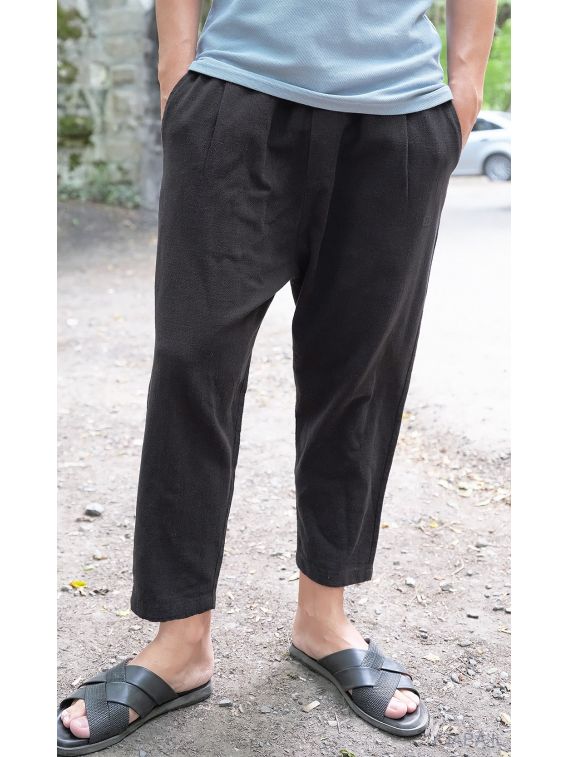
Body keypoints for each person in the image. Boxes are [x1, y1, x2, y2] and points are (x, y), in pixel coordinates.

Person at [57, 0, 497, 752]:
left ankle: (324, 617)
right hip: (235, 93)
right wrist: (177, 71)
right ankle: (181, 639)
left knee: (358, 375)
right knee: (192, 362)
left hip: (397, 113)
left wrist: (466, 82)